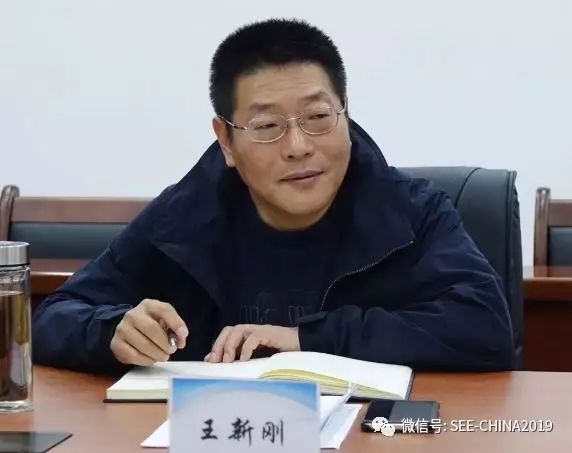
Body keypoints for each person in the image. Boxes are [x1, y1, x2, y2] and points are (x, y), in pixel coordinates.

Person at [32, 18, 516, 375]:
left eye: (318, 118)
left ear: (345, 112)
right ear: (225, 140)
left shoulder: (411, 212)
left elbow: (486, 326)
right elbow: (53, 317)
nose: (299, 146)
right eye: (266, 127)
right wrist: (112, 330)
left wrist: (308, 339)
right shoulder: (181, 219)